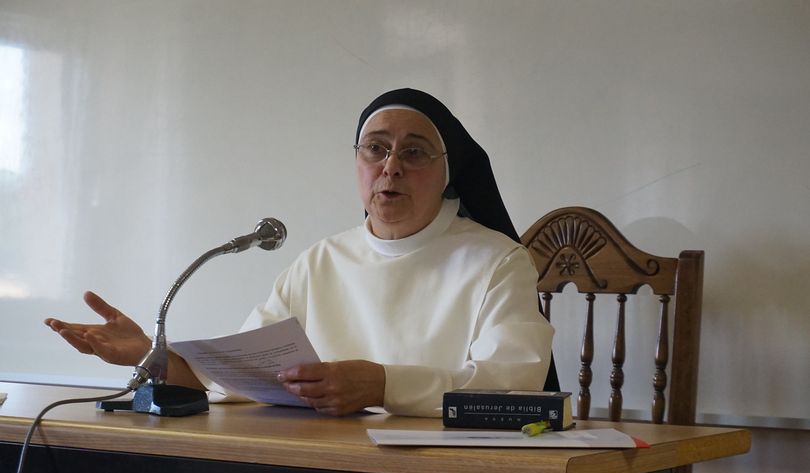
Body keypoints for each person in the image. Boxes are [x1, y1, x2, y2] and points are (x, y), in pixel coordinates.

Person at [44, 88, 554, 417]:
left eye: (414, 152)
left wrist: (383, 385)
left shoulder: (497, 261)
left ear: (448, 171)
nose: (391, 167)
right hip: (323, 462)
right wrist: (149, 355)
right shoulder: (321, 261)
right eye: (375, 148)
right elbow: (237, 377)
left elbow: (516, 388)